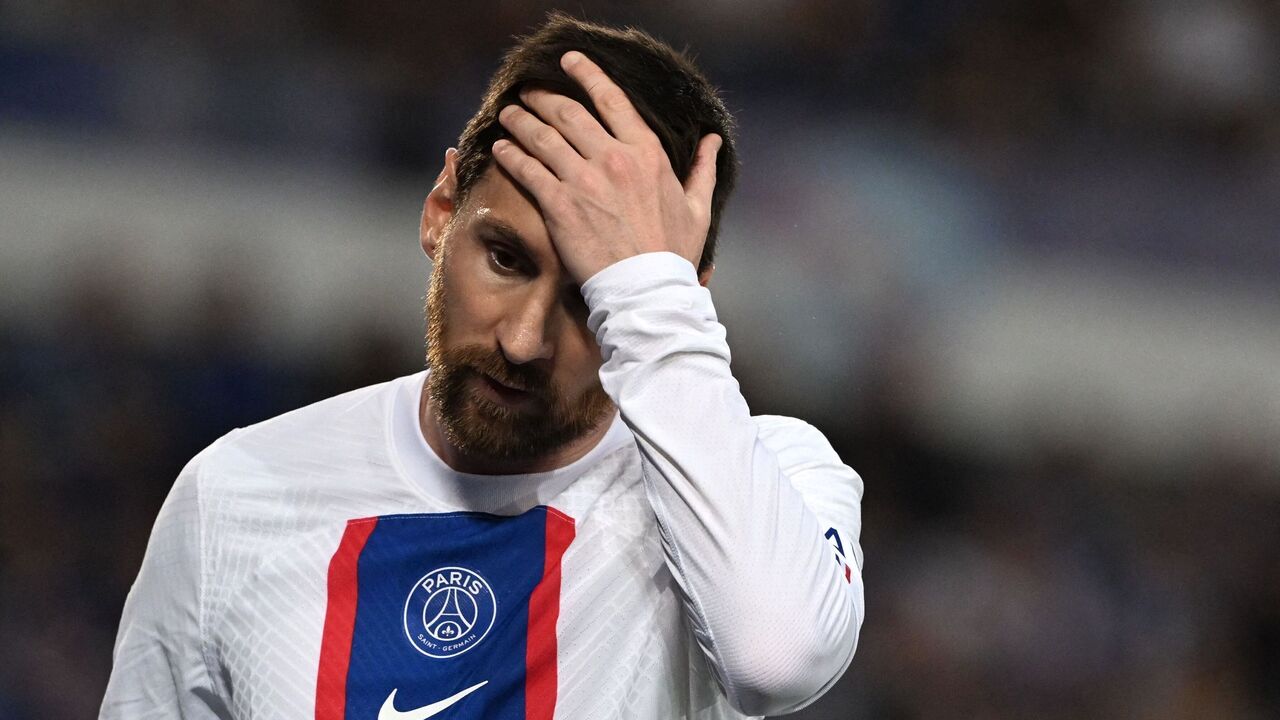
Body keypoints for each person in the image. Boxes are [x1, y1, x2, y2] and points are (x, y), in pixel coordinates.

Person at [100, 13, 864, 720]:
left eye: (589, 297)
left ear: (672, 301)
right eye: (504, 258)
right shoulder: (233, 496)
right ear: (440, 211)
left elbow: (776, 661)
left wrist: (648, 293)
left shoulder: (771, 484)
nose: (525, 338)